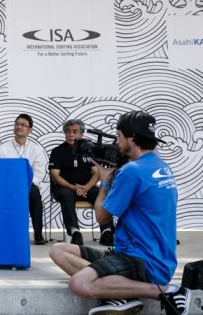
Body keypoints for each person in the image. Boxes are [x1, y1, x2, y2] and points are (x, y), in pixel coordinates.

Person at [49, 111, 190, 315]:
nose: (116, 142)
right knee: (59, 250)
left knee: (79, 284)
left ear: (131, 138)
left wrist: (104, 181)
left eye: (118, 136)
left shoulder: (131, 172)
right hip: (153, 256)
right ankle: (120, 296)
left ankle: (167, 292)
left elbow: (102, 218)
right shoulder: (160, 165)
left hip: (142, 261)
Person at [49, 119, 114, 246]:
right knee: (66, 194)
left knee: (101, 194)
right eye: (67, 131)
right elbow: (55, 176)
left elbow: (96, 173)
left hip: (87, 187)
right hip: (65, 187)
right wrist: (73, 187)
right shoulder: (57, 151)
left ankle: (107, 232)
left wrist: (85, 188)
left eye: (74, 131)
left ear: (81, 134)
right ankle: (75, 233)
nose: (71, 134)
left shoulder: (89, 150)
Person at [0, 114, 47, 245]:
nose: (19, 127)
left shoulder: (36, 149)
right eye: (17, 124)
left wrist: (26, 184)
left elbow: (39, 173)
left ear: (30, 130)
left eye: (23, 125)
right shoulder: (3, 148)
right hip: (8, 187)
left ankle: (38, 234)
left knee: (34, 194)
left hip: (29, 186)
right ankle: (6, 233)